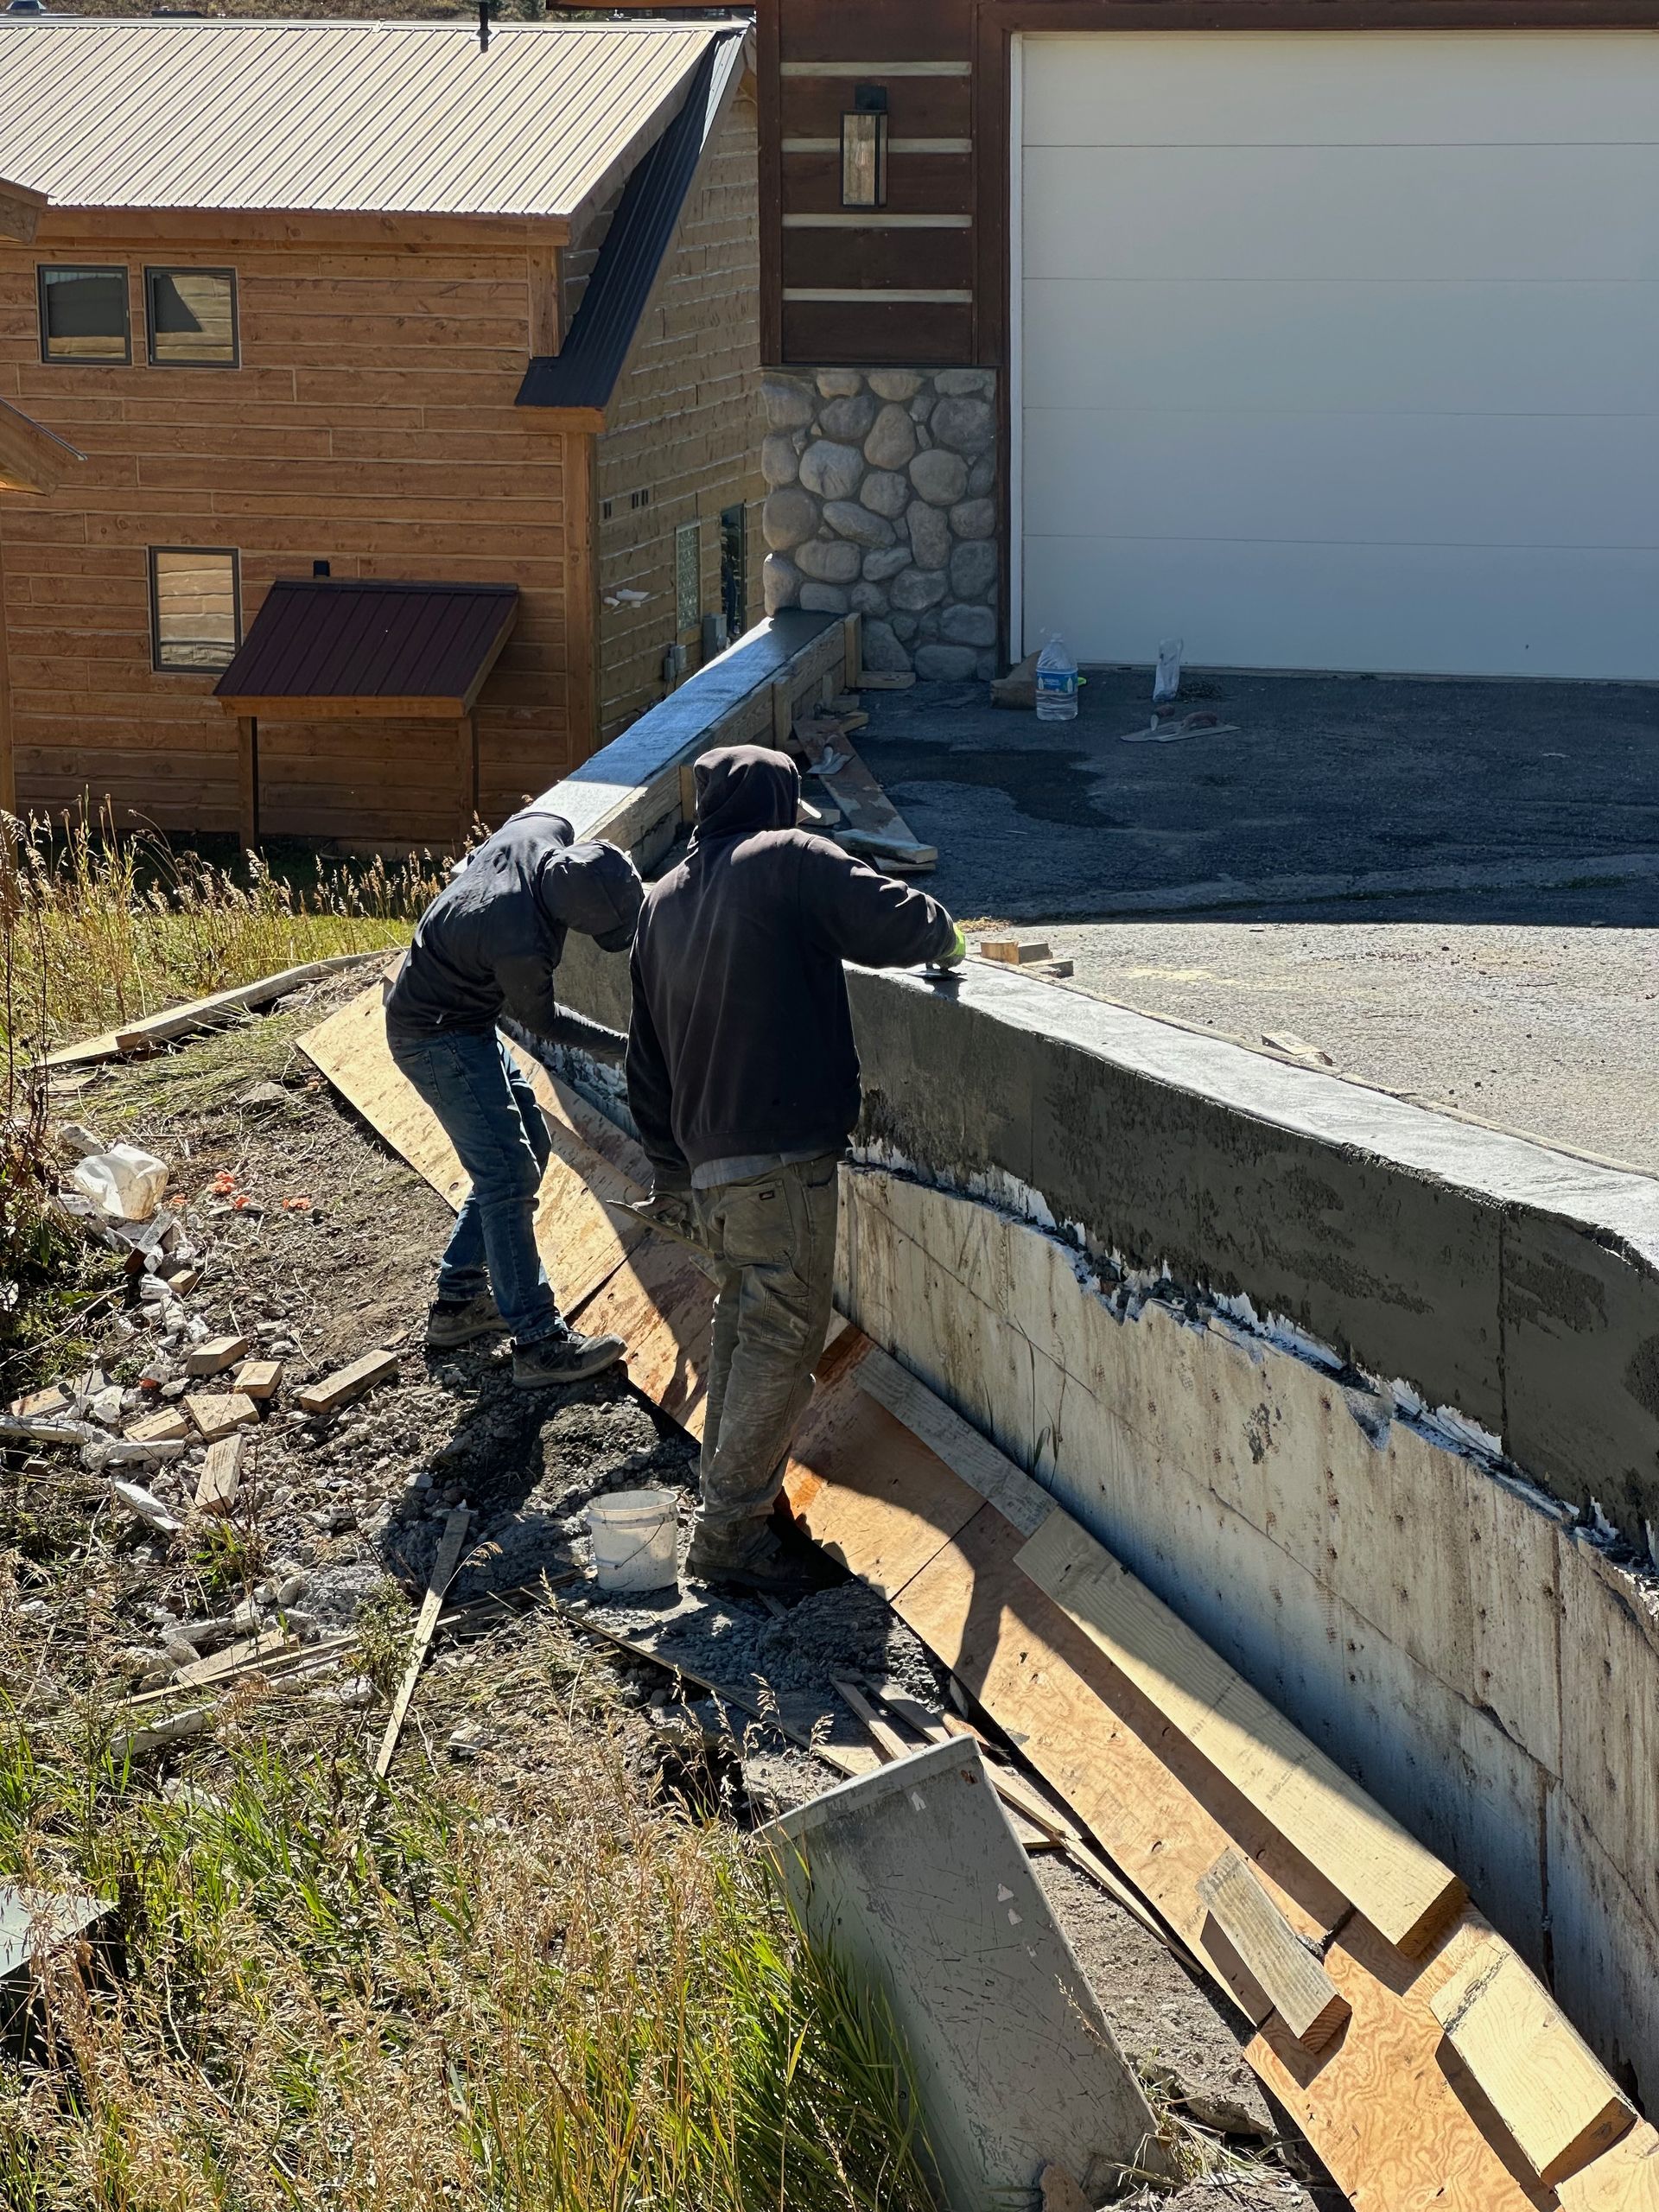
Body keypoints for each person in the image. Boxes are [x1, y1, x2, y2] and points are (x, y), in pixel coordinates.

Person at [626, 743, 963, 1587]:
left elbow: (645, 1062)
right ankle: (730, 1537)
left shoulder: (661, 903)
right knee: (781, 1335)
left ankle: (740, 1503)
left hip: (710, 1168)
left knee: (744, 1324)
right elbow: (889, 919)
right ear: (776, 802)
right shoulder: (786, 858)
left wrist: (672, 1168)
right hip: (780, 1157)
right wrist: (946, 933)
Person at [386, 804, 643, 1389]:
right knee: (506, 1175)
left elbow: (540, 810)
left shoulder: (544, 833)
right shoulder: (519, 936)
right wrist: (629, 1050)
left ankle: (458, 1303)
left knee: (532, 1142)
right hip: (436, 1035)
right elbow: (544, 1022)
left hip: (458, 1014)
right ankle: (538, 1342)